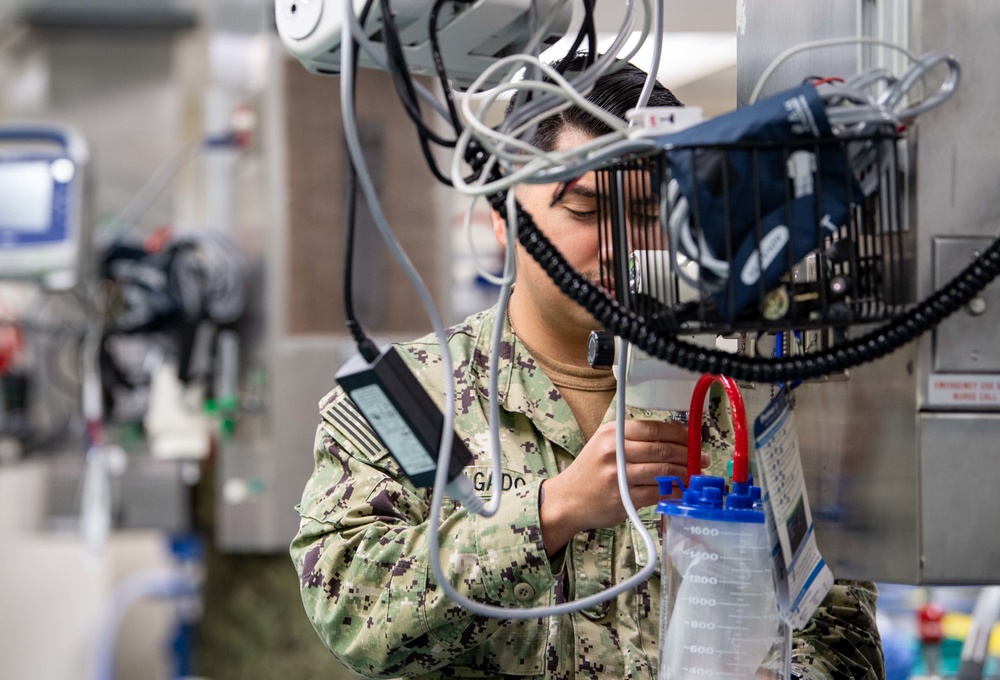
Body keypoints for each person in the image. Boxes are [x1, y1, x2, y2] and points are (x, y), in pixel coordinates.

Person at [291, 55, 884, 679]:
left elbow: (841, 626)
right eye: (587, 212)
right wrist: (553, 511)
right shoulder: (411, 402)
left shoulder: (753, 400)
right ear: (505, 215)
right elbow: (352, 616)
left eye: (651, 213)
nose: (624, 243)